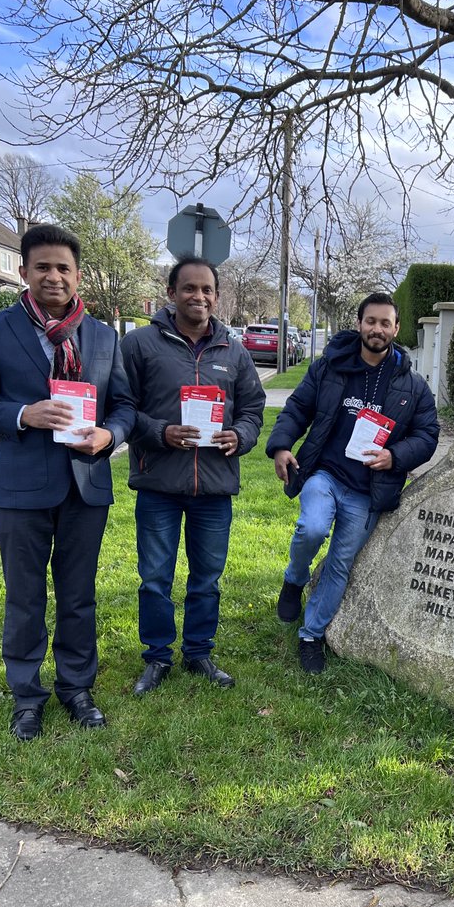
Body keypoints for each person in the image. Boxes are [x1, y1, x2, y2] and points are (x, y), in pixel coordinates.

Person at [0, 224, 136, 741]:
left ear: (77, 275)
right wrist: (21, 415)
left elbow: (123, 405)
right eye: (43, 267)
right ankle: (26, 697)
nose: (54, 276)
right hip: (20, 489)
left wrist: (109, 435)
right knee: (25, 596)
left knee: (78, 595)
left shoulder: (101, 336)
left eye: (63, 268)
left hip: (86, 486)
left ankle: (76, 688)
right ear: (24, 272)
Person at [266, 293, 440, 674]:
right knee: (311, 528)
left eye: (385, 323)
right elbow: (297, 408)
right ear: (359, 324)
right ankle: (294, 580)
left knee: (341, 562)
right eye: (370, 321)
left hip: (369, 490)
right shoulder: (329, 367)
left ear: (396, 329)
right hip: (325, 474)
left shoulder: (412, 386)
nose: (377, 329)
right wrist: (281, 446)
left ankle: (311, 636)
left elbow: (428, 436)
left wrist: (395, 457)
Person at [120, 256, 265, 695]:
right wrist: (161, 432)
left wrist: (239, 436)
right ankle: (158, 657)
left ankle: (199, 651)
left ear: (217, 297)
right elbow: (122, 409)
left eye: (206, 290)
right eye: (189, 289)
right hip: (159, 482)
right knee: (155, 578)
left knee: (207, 577)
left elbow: (254, 409)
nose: (198, 297)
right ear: (171, 293)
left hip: (214, 488)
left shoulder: (233, 351)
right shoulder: (141, 345)